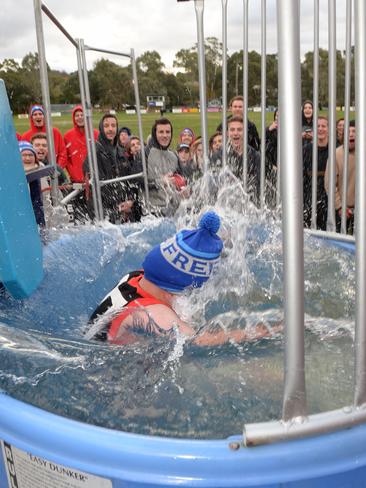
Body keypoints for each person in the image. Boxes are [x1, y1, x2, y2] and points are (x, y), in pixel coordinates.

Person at [87, 211, 278, 345]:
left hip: (94, 339)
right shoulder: (156, 313)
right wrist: (265, 331)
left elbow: (175, 267)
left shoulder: (135, 276)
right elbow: (199, 341)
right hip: (105, 377)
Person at [83, 113, 142, 224]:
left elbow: (129, 180)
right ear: (101, 128)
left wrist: (130, 201)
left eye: (113, 126)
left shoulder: (120, 152)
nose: (110, 129)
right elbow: (97, 187)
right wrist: (117, 207)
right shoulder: (94, 153)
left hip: (123, 210)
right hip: (104, 213)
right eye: (106, 126)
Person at [211, 116, 260, 206]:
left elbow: (259, 187)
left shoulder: (255, 156)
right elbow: (214, 186)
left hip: (249, 206)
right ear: (227, 133)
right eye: (232, 130)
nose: (235, 133)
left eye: (239, 130)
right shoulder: (218, 156)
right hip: (226, 206)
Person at [324, 120, 356, 234]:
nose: (351, 134)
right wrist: (339, 207)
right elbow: (329, 183)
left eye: (354, 131)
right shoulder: (336, 154)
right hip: (343, 210)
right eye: (348, 131)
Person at [145, 117, 181, 216]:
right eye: (161, 132)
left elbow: (180, 180)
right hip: (151, 212)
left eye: (168, 132)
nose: (165, 135)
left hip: (173, 210)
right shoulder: (144, 153)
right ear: (154, 134)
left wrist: (183, 189)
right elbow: (138, 182)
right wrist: (161, 181)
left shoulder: (174, 155)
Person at [302, 117, 329, 230]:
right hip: (309, 194)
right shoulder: (306, 149)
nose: (320, 129)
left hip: (329, 195)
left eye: (323, 126)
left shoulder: (335, 149)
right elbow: (302, 175)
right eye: (318, 126)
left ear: (329, 129)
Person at [63, 105, 98, 183]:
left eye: (82, 115)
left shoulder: (95, 134)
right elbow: (66, 159)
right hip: (76, 180)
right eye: (77, 115)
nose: (80, 117)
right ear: (73, 118)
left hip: (94, 178)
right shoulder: (67, 136)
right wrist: (73, 174)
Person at [18, 141, 45, 227]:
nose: (28, 158)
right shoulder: (11, 173)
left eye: (30, 155)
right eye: (24, 155)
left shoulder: (41, 170)